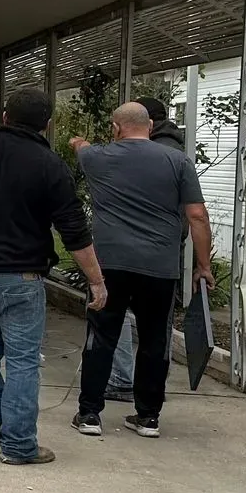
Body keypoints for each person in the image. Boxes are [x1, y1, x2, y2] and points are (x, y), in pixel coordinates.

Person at [0, 86, 107, 466]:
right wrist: (95, 280)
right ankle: (19, 445)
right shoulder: (49, 165)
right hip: (22, 276)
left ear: (6, 116)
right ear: (46, 125)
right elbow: (73, 229)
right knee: (23, 358)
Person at [69, 102, 213, 438]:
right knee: (154, 340)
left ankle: (89, 414)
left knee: (102, 336)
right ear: (150, 126)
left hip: (110, 266)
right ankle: (148, 417)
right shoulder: (178, 161)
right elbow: (197, 216)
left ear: (116, 128)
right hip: (160, 268)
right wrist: (203, 267)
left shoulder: (97, 158)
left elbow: (80, 148)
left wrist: (80, 143)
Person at [103, 94, 192, 403]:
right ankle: (149, 388)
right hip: (163, 254)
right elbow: (190, 213)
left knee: (116, 316)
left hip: (132, 253)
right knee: (156, 327)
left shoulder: (150, 153)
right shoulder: (176, 152)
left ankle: (126, 381)